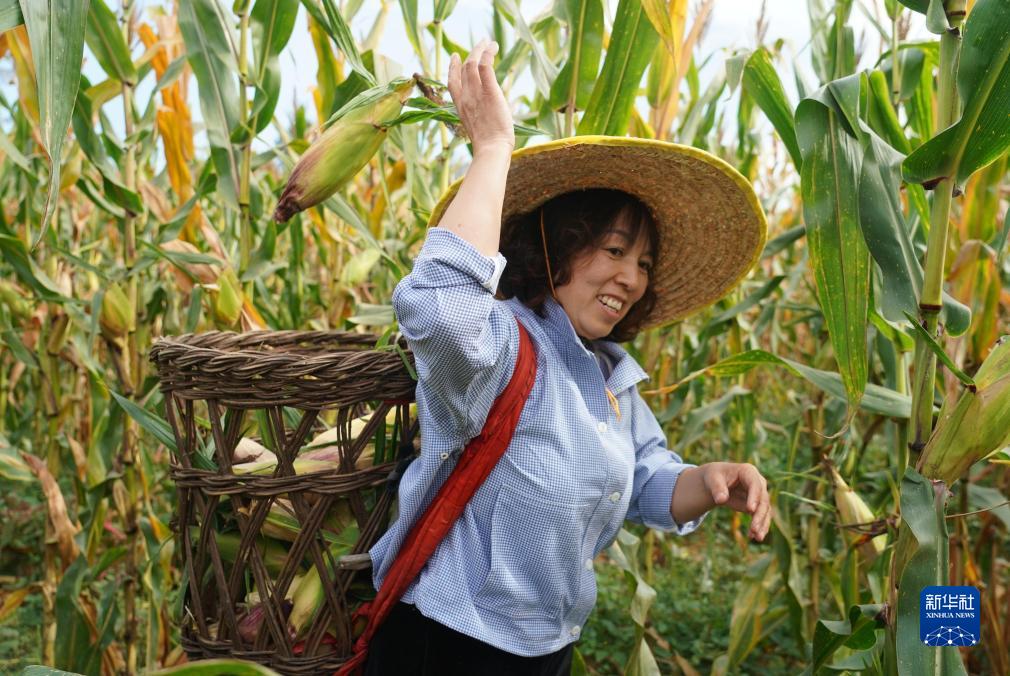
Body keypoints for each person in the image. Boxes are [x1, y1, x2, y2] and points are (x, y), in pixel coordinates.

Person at [364, 39, 772, 675]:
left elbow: (644, 480)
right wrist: (493, 149)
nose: (631, 278)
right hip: (448, 640)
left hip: (547, 648)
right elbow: (442, 310)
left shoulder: (610, 379)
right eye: (614, 251)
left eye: (643, 263)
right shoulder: (503, 345)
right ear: (556, 246)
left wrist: (711, 481)